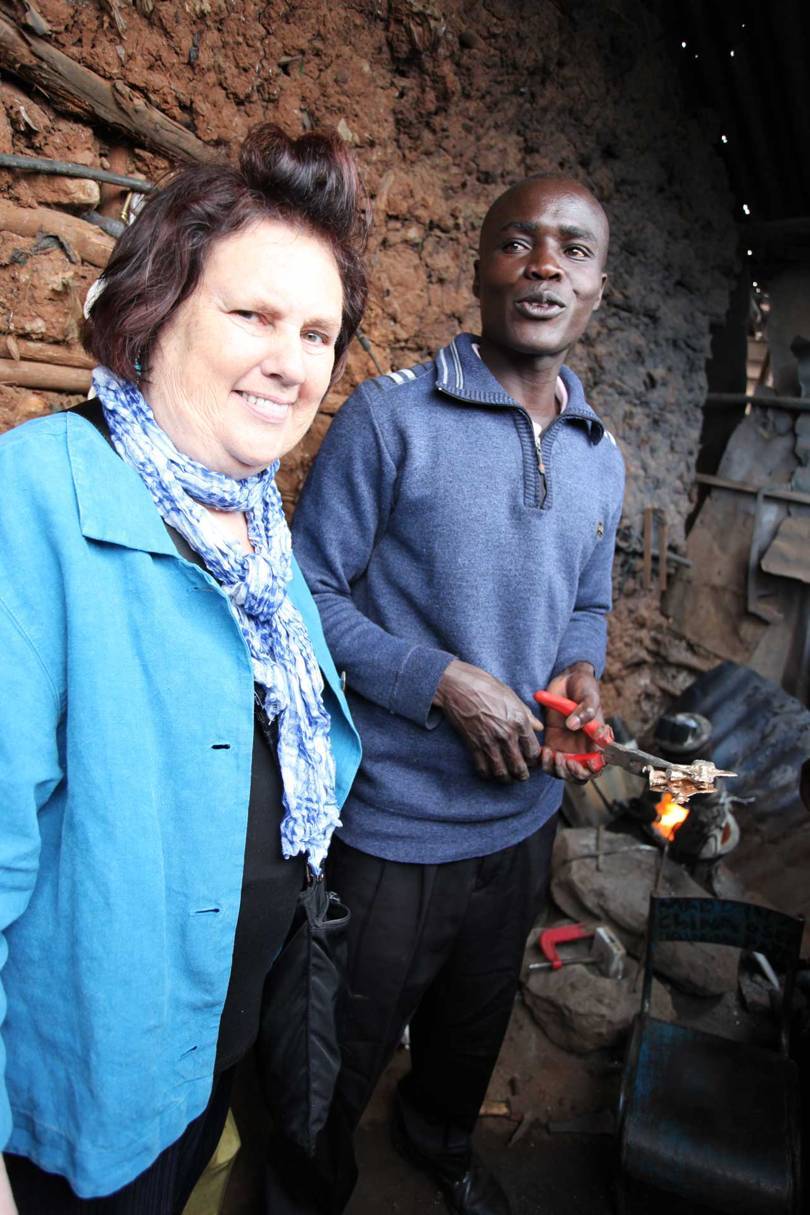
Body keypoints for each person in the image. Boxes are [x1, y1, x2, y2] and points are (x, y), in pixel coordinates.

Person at [0, 123, 368, 1214]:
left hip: (207, 1055)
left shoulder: (251, 526)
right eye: (251, 315)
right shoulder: (34, 505)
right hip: (81, 1096)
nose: (290, 359)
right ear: (154, 312)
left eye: (317, 331)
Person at [287, 175, 624, 1215]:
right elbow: (305, 598)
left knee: (473, 1023)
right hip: (393, 822)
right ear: (480, 268)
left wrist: (580, 672)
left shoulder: (601, 454)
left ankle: (439, 1144)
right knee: (334, 1049)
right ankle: (311, 1193)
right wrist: (441, 684)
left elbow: (588, 603)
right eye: (519, 243)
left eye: (572, 249)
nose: (545, 265)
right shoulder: (391, 421)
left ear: (598, 287)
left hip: (523, 820)